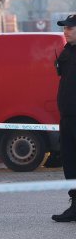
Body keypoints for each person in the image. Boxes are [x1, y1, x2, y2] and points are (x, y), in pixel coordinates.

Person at [52, 13, 76, 222]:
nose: (65, 31)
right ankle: (75, 205)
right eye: (64, 28)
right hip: (67, 118)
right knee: (70, 163)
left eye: (70, 28)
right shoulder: (67, 52)